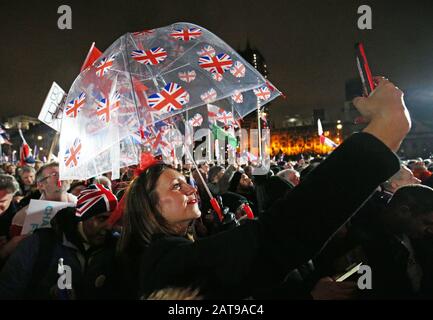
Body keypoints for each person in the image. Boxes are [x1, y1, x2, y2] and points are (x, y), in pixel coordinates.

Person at [117, 77, 411, 299]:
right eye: (177, 186)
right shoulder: (166, 263)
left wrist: (306, 291)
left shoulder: (181, 252)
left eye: (189, 183)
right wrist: (381, 136)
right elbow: (275, 240)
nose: (192, 190)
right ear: (151, 208)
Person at [0, 184, 119, 299]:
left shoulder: (116, 247)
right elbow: (9, 289)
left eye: (113, 219)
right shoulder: (39, 244)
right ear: (83, 216)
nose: (109, 226)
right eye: (102, 218)